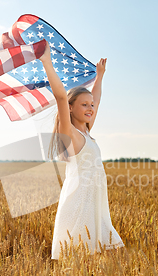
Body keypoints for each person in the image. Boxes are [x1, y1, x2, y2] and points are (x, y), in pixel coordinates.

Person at [38, 42, 125, 260]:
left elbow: (97, 98)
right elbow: (60, 96)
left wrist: (100, 76)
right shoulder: (70, 134)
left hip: (96, 206)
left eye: (91, 106)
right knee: (80, 260)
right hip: (78, 206)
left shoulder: (86, 131)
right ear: (70, 108)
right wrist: (47, 62)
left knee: (105, 256)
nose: (90, 108)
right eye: (84, 105)